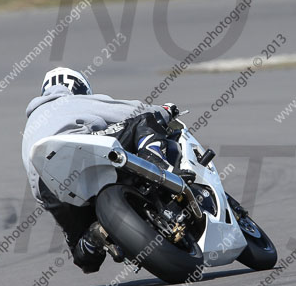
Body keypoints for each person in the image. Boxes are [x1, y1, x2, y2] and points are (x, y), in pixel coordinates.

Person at [21, 67, 184, 274]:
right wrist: (165, 110)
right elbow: (133, 110)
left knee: (85, 258)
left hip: (51, 185)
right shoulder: (71, 100)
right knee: (146, 119)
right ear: (79, 88)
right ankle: (157, 167)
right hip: (79, 149)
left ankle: (93, 238)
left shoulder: (30, 127)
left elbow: (36, 184)